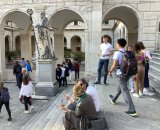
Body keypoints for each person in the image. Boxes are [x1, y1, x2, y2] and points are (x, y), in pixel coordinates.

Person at [108, 38, 137, 117]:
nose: (116, 45)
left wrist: (110, 71)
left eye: (117, 43)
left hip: (122, 74)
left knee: (125, 90)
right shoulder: (127, 52)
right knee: (121, 87)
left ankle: (132, 109)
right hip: (128, 73)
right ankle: (114, 99)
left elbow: (114, 65)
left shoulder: (117, 53)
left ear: (119, 44)